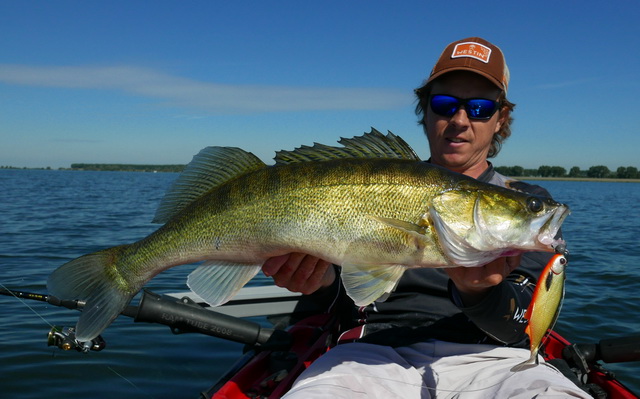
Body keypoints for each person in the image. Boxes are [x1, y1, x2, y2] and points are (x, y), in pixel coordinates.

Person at [262, 37, 590, 398]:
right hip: (369, 355)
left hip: (497, 361)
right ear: (426, 110)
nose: (460, 121)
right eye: (445, 104)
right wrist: (319, 281)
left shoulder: (530, 203)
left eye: (479, 107)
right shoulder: (373, 185)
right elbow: (345, 295)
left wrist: (478, 293)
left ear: (501, 119)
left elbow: (522, 327)